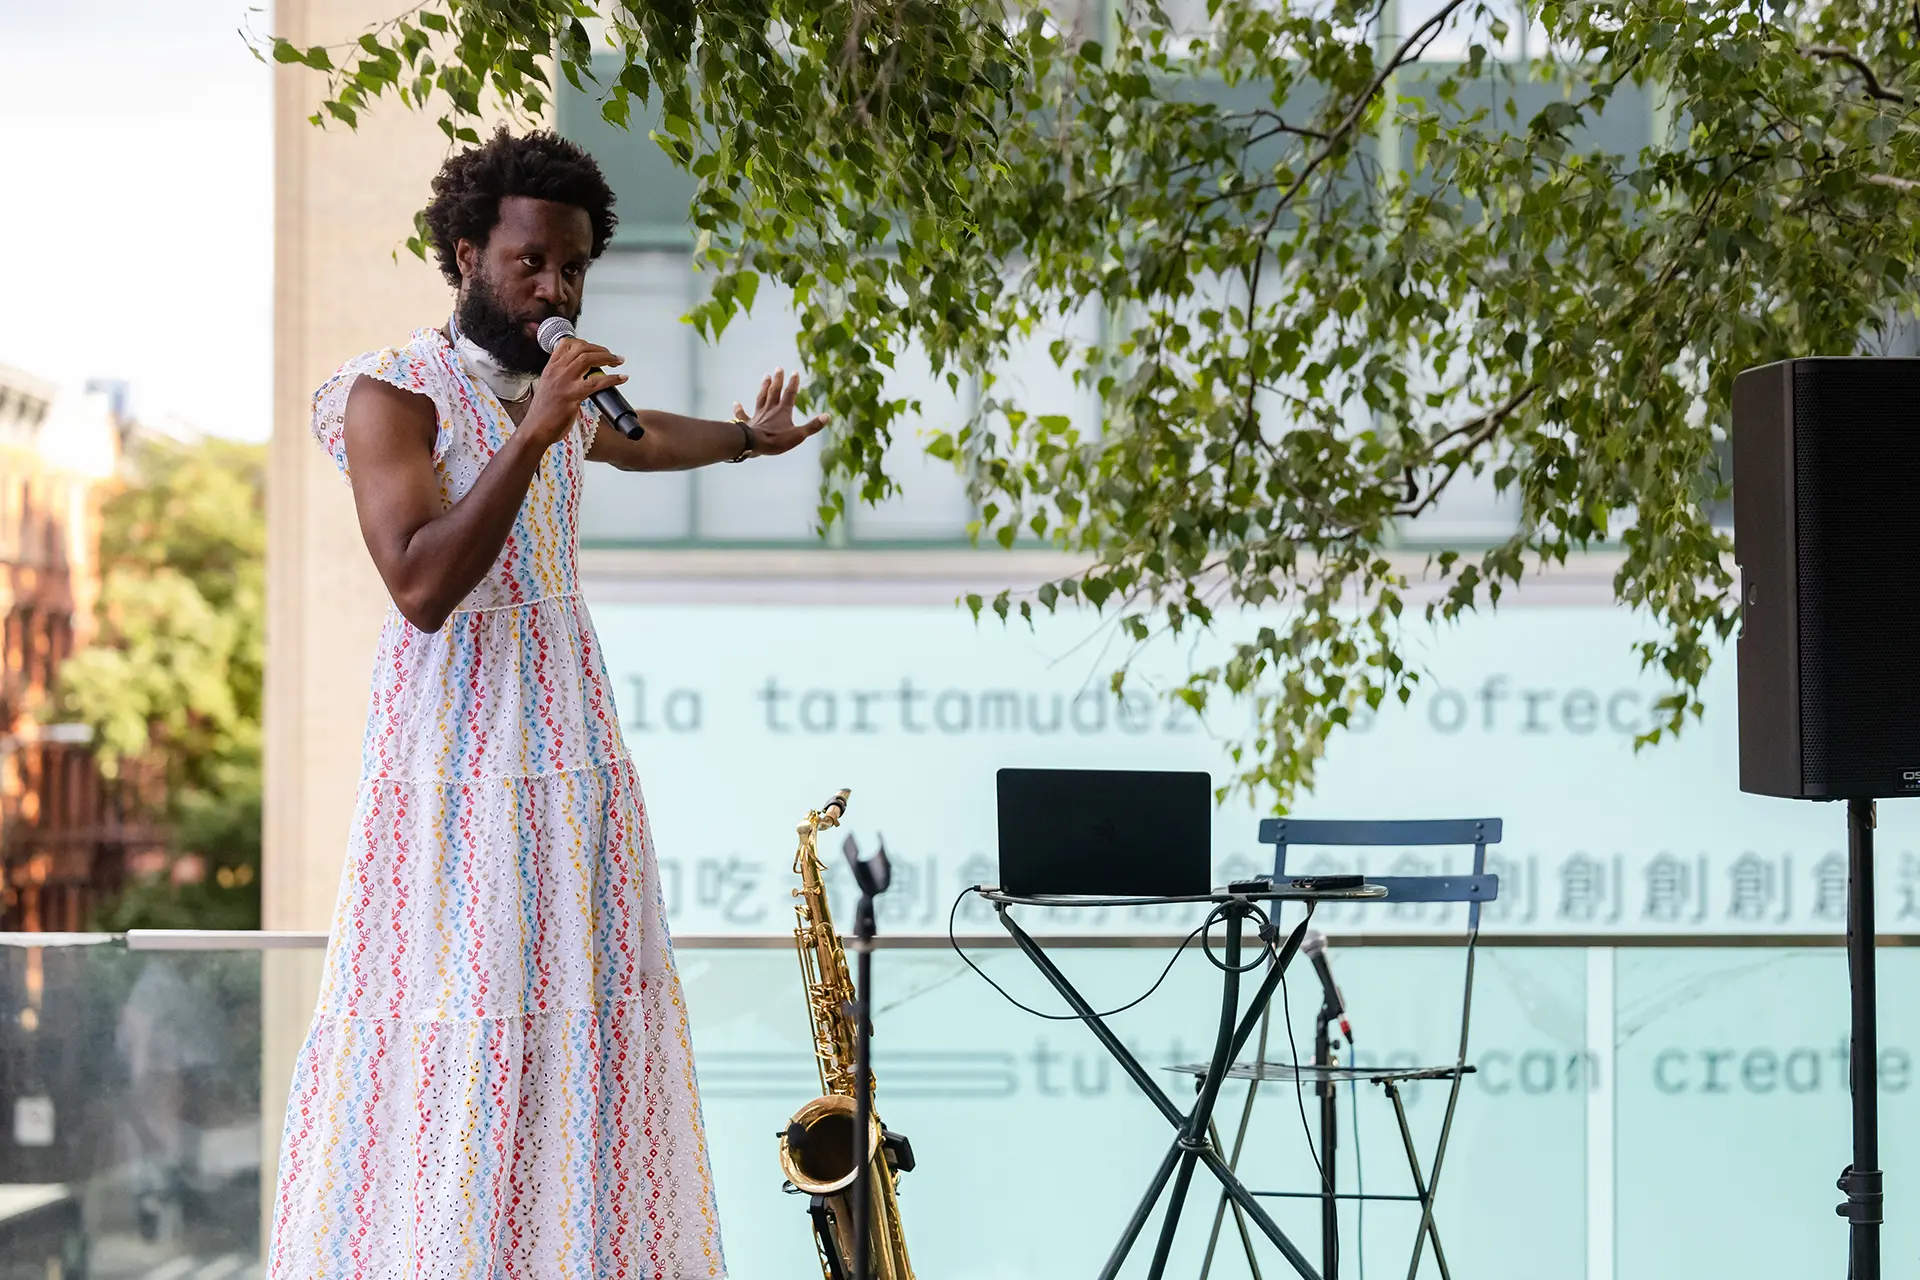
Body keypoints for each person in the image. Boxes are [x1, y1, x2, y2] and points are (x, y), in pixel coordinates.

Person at [265, 127, 823, 1280]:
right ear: (467, 253)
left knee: (573, 1004)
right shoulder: (392, 394)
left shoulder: (548, 401)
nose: (555, 289)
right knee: (471, 1013)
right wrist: (532, 432)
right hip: (457, 748)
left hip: (569, 735)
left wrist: (747, 444)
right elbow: (420, 584)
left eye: (573, 268)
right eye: (530, 264)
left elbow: (640, 438)